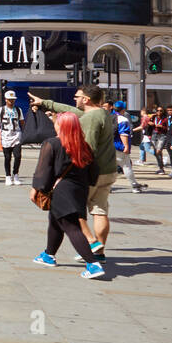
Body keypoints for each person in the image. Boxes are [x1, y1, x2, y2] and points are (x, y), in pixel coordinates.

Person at [31, 85, 117, 262]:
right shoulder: (102, 114)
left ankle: (91, 244)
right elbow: (71, 112)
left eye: (78, 96)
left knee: (73, 211)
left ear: (86, 99)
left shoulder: (91, 119)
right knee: (99, 210)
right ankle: (98, 252)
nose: (75, 99)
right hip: (108, 170)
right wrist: (45, 103)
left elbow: (88, 148)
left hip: (93, 172)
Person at [30, 111, 104, 279]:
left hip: (62, 191)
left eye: (56, 122)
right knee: (56, 221)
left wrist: (36, 188)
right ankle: (49, 255)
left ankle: (93, 264)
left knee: (71, 227)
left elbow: (44, 171)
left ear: (61, 126)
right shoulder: (84, 146)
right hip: (79, 190)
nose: (54, 124)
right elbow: (94, 173)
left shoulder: (51, 144)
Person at [0, 90, 25, 184]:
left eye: (13, 99)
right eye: (10, 100)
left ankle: (16, 174)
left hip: (16, 135)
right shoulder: (1, 110)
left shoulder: (18, 110)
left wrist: (26, 134)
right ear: (6, 100)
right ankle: (8, 176)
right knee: (7, 157)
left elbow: (22, 123)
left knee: (18, 156)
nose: (11, 101)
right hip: (5, 136)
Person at [111, 101, 145, 192]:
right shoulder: (122, 119)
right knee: (126, 166)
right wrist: (126, 146)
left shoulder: (108, 117)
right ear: (123, 109)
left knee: (110, 168)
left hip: (108, 146)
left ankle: (107, 186)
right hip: (119, 146)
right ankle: (134, 185)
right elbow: (124, 134)